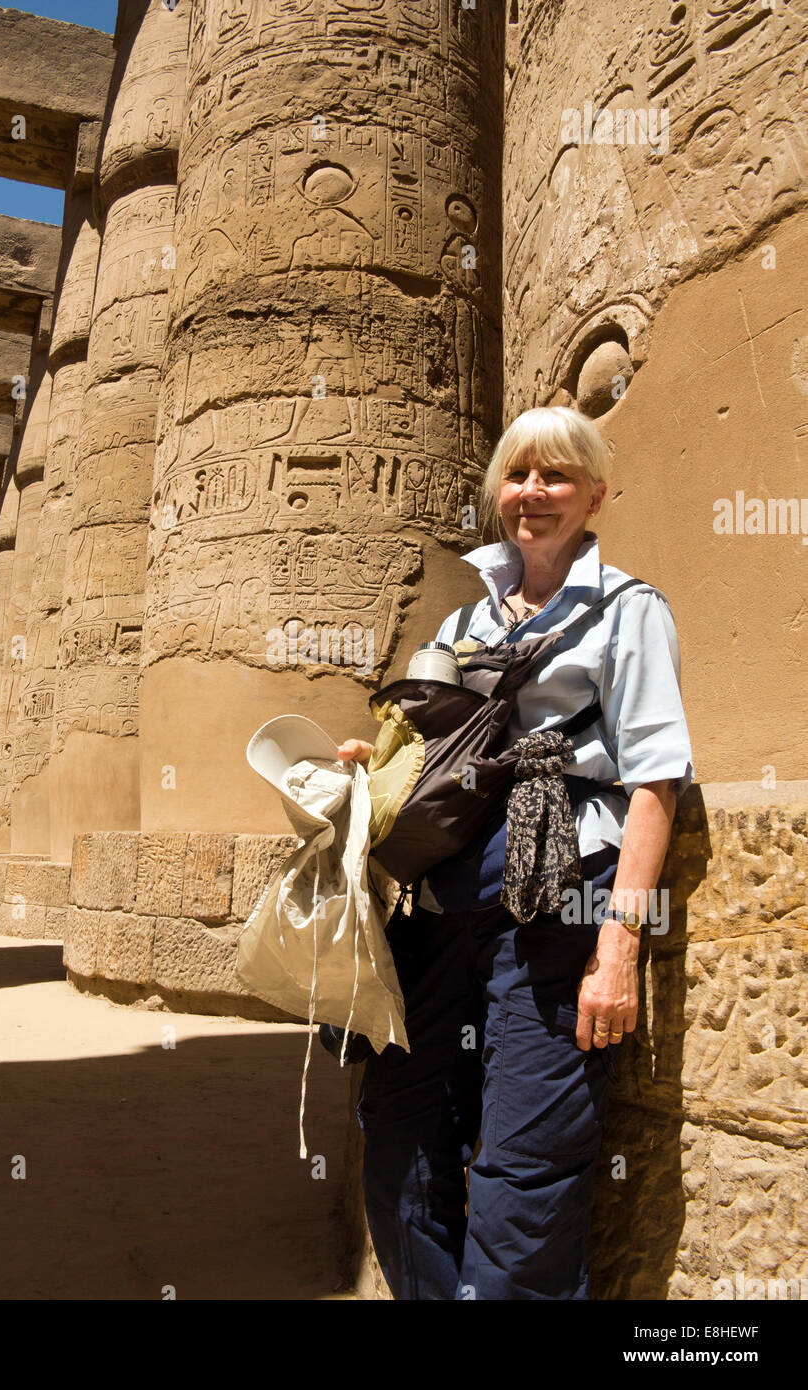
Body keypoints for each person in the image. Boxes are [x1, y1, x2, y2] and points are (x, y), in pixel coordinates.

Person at [337, 405, 694, 1300]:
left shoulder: (630, 611)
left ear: (594, 494)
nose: (532, 494)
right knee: (399, 1134)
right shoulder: (461, 624)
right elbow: (414, 748)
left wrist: (618, 948)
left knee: (526, 1165)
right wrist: (366, 761)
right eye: (518, 475)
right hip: (438, 906)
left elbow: (655, 781)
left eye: (556, 477)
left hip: (557, 905)